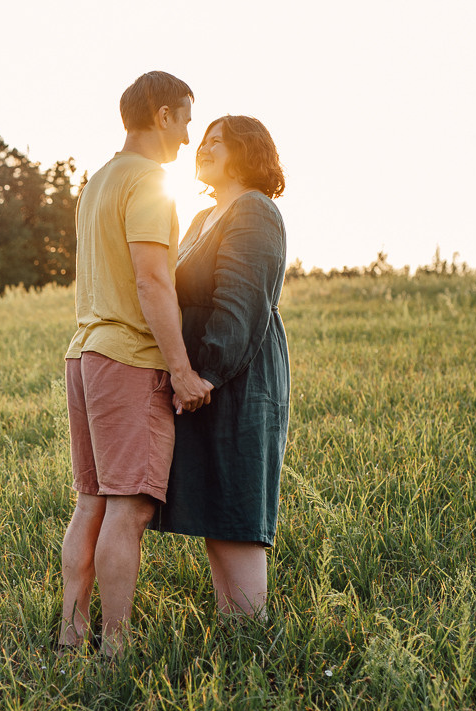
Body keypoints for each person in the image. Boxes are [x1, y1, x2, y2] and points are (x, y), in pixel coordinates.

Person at [59, 71, 214, 657]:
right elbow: (152, 280)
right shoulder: (149, 181)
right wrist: (181, 370)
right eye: (185, 119)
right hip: (127, 359)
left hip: (84, 353)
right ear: (163, 115)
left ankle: (71, 638)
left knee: (92, 502)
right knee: (128, 508)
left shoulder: (99, 180)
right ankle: (115, 648)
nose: (188, 134)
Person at [150, 116, 289, 619]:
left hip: (237, 372)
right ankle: (233, 629)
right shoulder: (203, 217)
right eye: (203, 141)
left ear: (246, 152)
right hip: (205, 372)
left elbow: (242, 301)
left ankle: (252, 634)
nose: (204, 148)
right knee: (215, 499)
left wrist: (205, 373)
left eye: (217, 142)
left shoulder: (254, 209)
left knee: (236, 501)